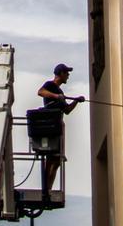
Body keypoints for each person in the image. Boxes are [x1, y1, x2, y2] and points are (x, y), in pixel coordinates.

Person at [33, 63, 84, 200]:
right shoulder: (50, 85)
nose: (68, 75)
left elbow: (66, 111)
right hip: (49, 126)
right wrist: (56, 97)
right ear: (60, 73)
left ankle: (48, 188)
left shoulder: (61, 92)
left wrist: (76, 101)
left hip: (57, 127)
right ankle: (46, 189)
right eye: (66, 73)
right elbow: (40, 92)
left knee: (56, 161)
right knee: (50, 159)